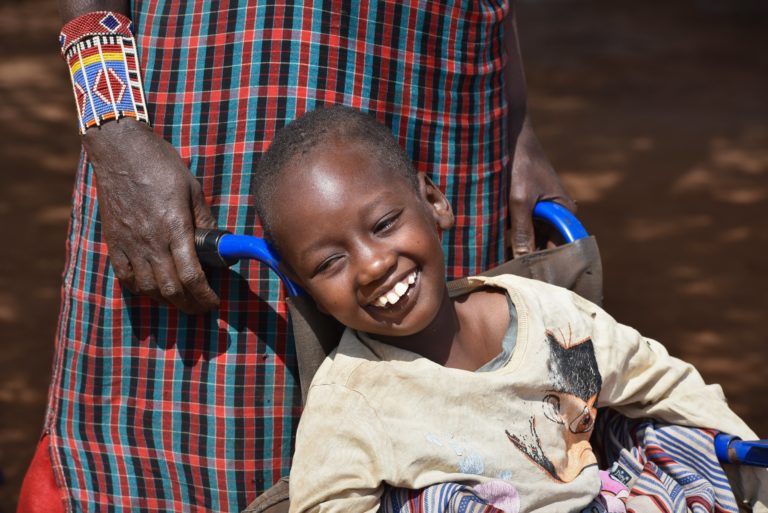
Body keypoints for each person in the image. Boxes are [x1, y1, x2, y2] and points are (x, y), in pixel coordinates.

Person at [19, 1, 575, 512]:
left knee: (454, 431)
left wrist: (519, 124)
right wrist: (114, 126)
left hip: (436, 82)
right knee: (205, 427)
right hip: (227, 86)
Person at [249, 105, 768, 513]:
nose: (372, 265)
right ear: (306, 289)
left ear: (434, 203)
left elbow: (661, 383)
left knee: (675, 444)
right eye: (331, 263)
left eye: (384, 224)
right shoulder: (353, 401)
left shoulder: (552, 321)